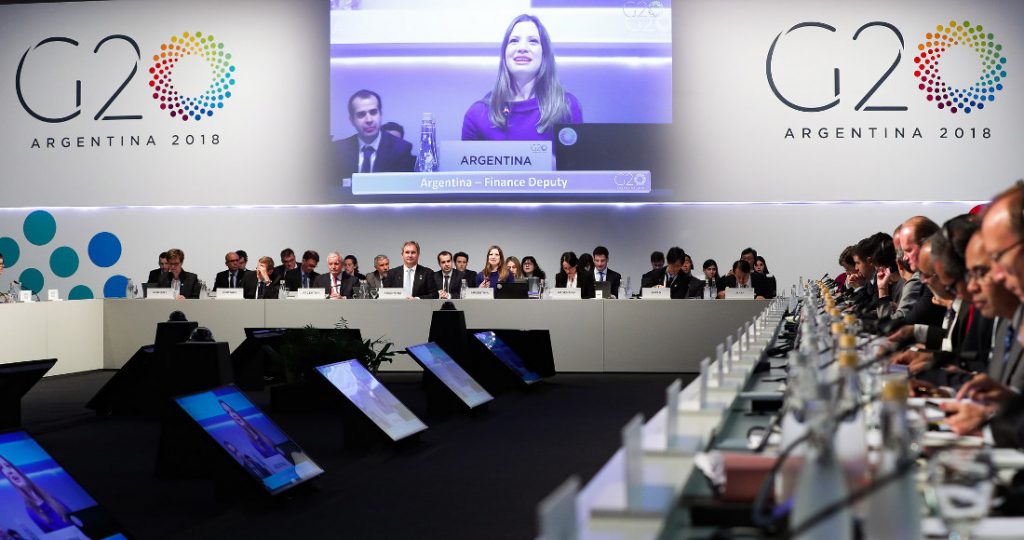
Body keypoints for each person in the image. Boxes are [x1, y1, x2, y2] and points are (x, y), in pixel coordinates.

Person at [461, 14, 582, 142]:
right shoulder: (477, 114)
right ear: (504, 54)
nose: (522, 48)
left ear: (544, 54)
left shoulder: (566, 107)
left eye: (533, 41)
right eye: (514, 41)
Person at [335, 89, 415, 179]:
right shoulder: (337, 151)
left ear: (380, 114)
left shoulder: (400, 149)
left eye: (373, 112)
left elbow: (402, 185)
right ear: (352, 120)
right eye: (361, 114)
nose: (369, 120)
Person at [0, 454, 74, 533]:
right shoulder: (31, 511)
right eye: (2, 469)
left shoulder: (53, 499)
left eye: (8, 466)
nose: (8, 472)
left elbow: (75, 518)